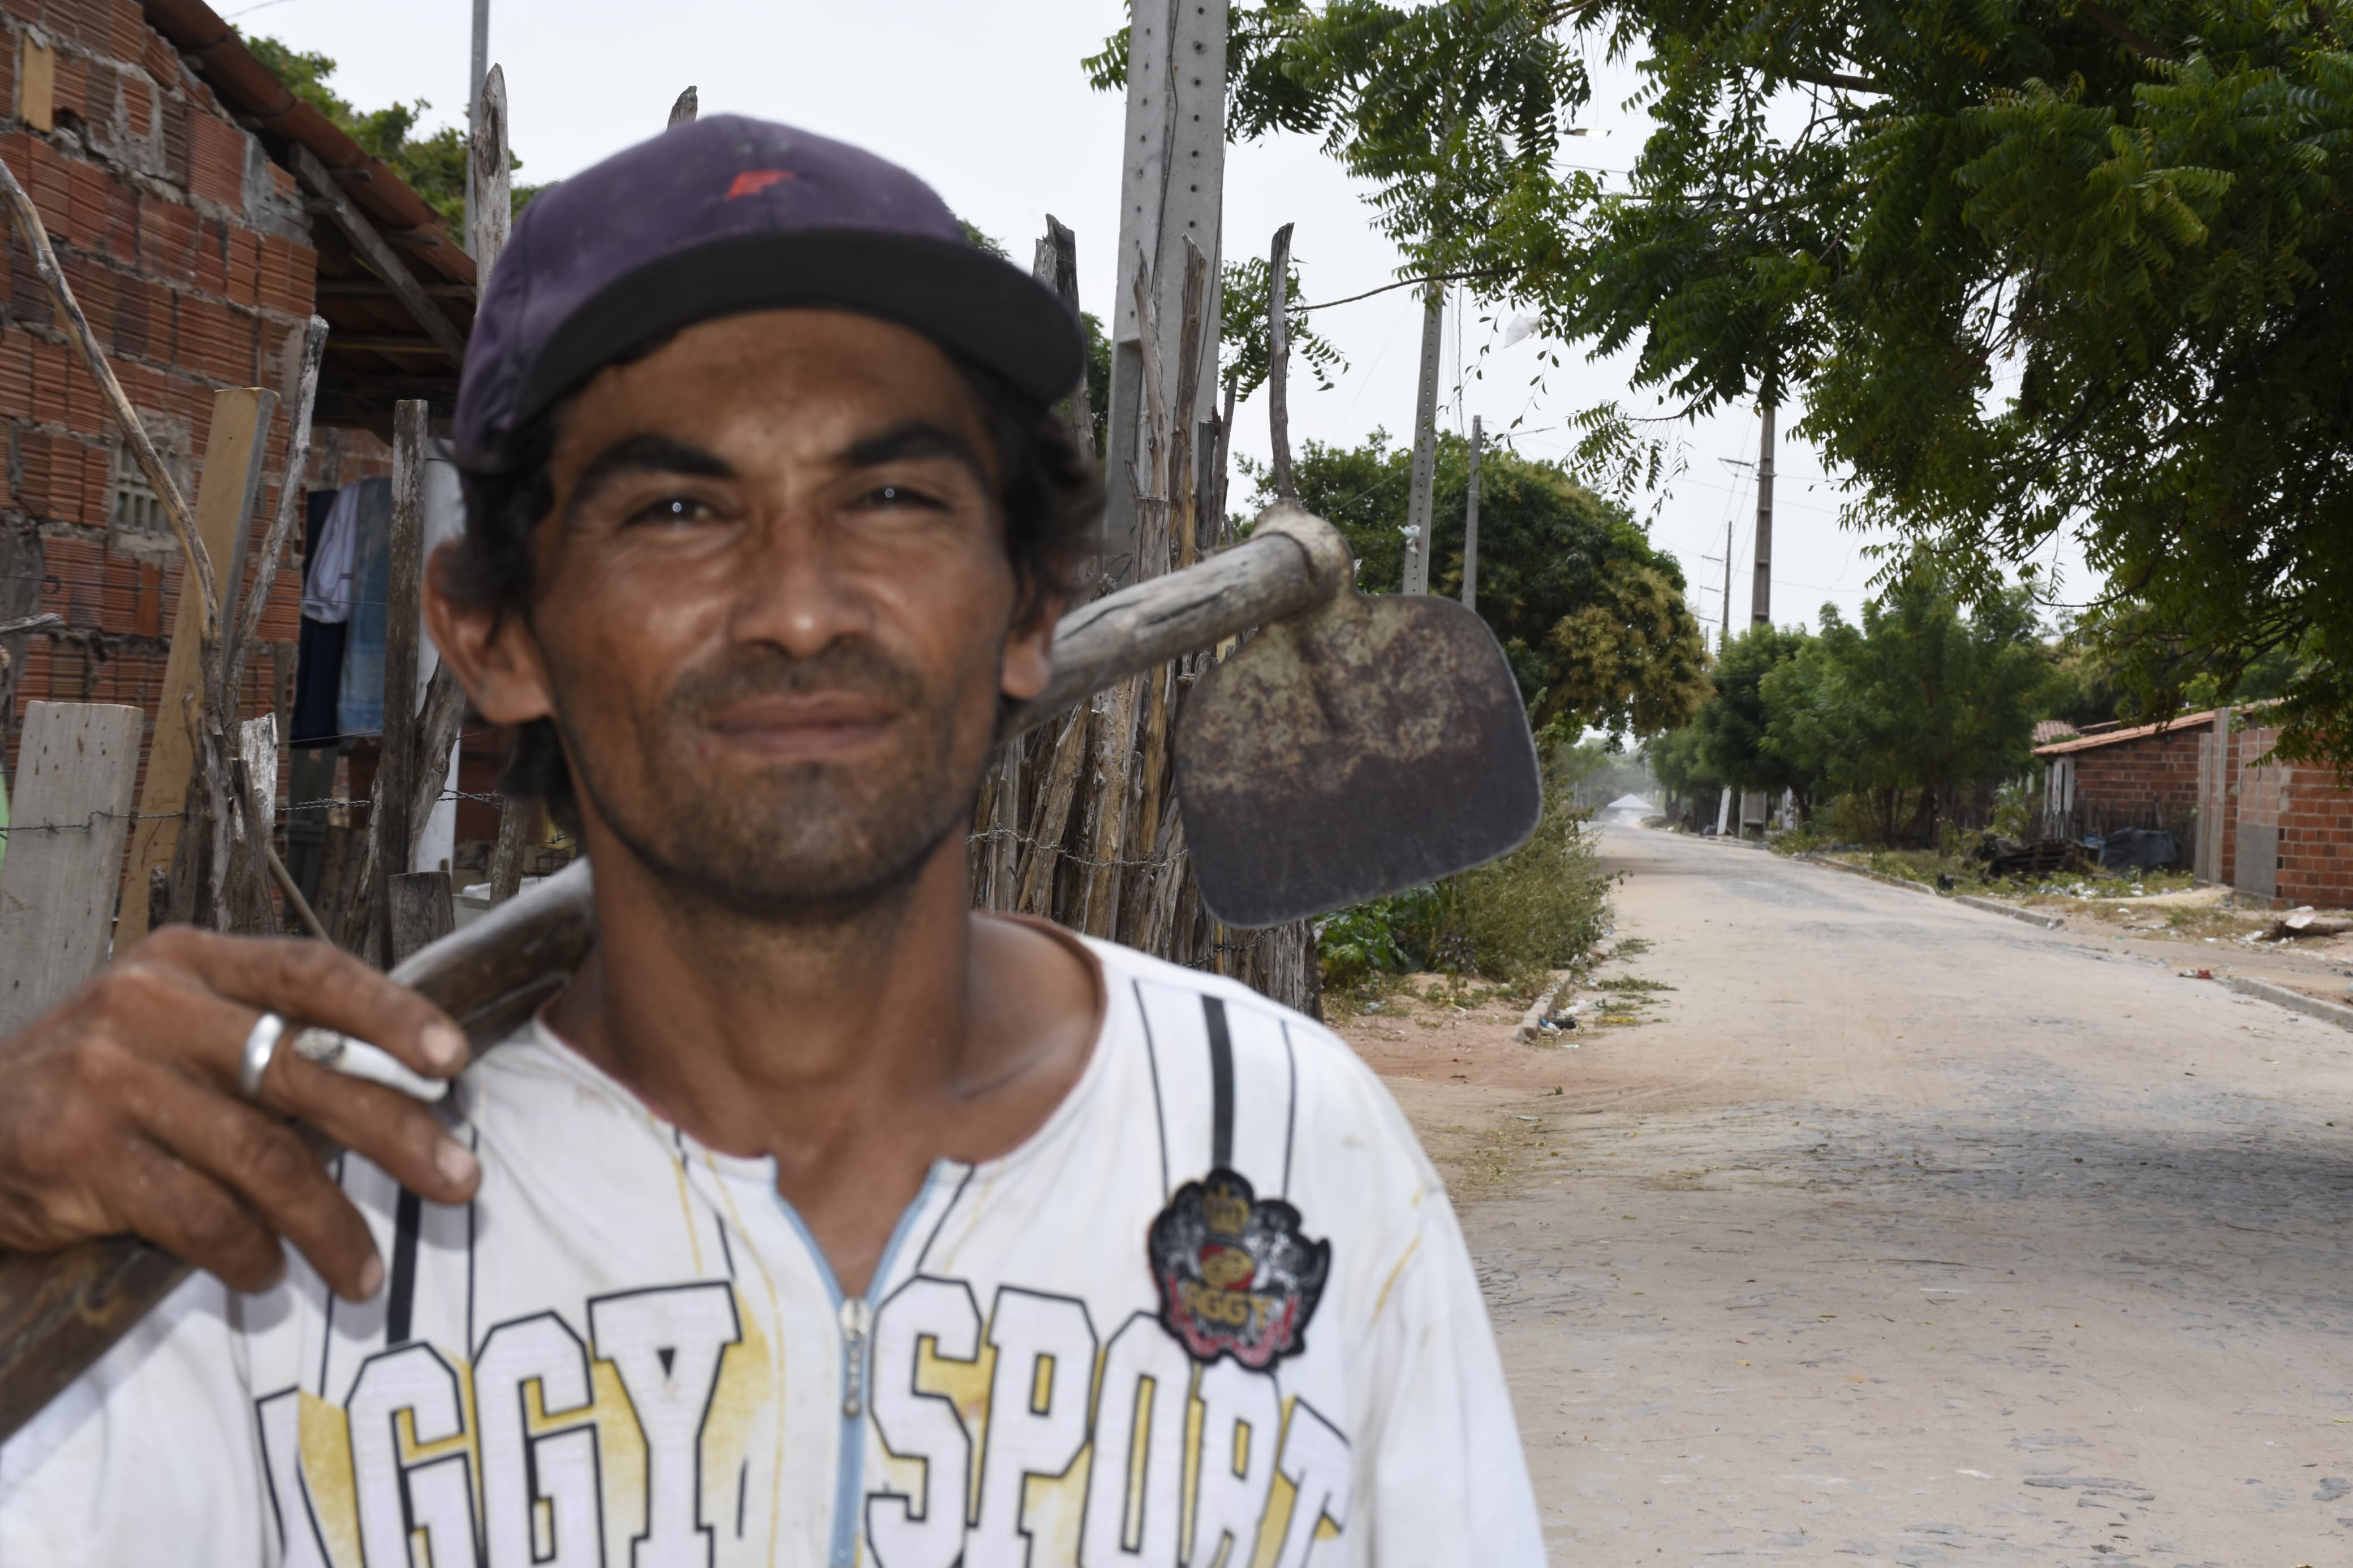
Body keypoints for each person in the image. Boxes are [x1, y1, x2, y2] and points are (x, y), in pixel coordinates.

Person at [0, 117, 1542, 1565]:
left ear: (1027, 603)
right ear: (493, 633)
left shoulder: (1284, 1146)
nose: (800, 607)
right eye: (677, 510)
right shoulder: (267, 1242)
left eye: (889, 494)